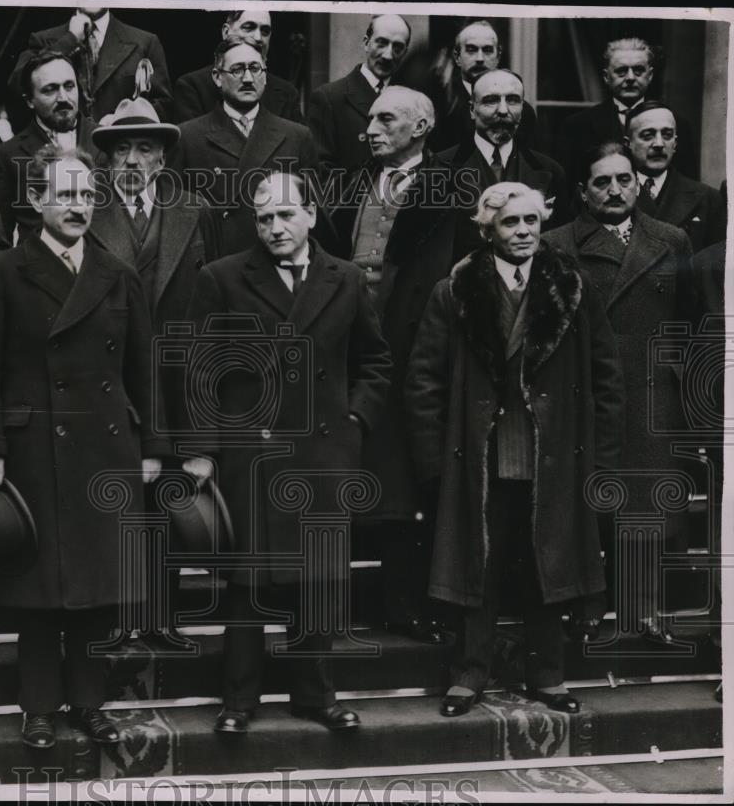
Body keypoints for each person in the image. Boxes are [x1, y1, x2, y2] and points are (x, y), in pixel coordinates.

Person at [0, 146, 170, 749]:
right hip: (32, 450)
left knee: (95, 591)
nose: (78, 207)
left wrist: (151, 446)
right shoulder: (0, 272)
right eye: (65, 196)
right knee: (39, 590)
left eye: (86, 196)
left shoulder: (116, 273)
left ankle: (89, 702)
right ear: (36, 202)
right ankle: (38, 708)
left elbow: (143, 368)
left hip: (104, 449)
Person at [183, 170, 392, 734]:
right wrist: (202, 450)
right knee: (250, 582)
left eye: (284, 215)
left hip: (325, 453)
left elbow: (375, 360)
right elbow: (200, 372)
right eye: (263, 217)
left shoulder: (346, 278)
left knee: (319, 578)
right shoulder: (222, 277)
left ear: (311, 216)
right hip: (252, 452)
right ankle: (238, 701)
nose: (274, 227)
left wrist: (355, 419)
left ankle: (315, 696)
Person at [405, 182, 624, 718]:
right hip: (478, 456)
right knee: (480, 562)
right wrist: (434, 462)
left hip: (554, 456)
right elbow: (424, 381)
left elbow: (607, 376)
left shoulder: (572, 287)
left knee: (546, 565)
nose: (524, 231)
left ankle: (547, 675)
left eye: (532, 221)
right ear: (487, 230)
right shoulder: (453, 290)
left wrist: (602, 459)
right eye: (510, 223)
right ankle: (470, 674)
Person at [544, 143, 701, 643]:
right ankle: (584, 611)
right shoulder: (557, 243)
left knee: (646, 507)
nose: (615, 190)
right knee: (586, 505)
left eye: (624, 180)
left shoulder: (671, 240)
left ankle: (644, 612)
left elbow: (689, 321)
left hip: (651, 393)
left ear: (638, 183)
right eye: (602, 182)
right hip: (584, 394)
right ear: (582, 192)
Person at [328, 86, 458, 644]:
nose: (371, 129)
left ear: (422, 126)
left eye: (386, 119)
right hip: (346, 346)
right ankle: (325, 605)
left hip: (414, 346)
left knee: (404, 481)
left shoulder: (448, 189)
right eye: (370, 118)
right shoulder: (350, 182)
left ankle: (403, 604)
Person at [88, 97, 219, 645]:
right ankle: (117, 617)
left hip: (175, 382)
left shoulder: (194, 211)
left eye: (145, 148)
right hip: (109, 378)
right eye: (122, 149)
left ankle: (161, 616)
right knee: (115, 500)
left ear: (163, 159)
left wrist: (204, 433)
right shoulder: (86, 212)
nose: (133, 160)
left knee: (168, 498)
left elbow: (213, 316)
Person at [168, 39, 319, 257]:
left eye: (255, 69)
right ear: (217, 78)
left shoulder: (297, 136)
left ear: (265, 75)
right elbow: (175, 218)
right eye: (237, 70)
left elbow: (313, 216)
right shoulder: (187, 137)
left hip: (277, 263)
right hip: (215, 265)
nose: (248, 78)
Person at [436, 68, 569, 258]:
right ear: (472, 109)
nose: (503, 111)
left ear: (522, 109)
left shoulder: (550, 171)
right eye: (491, 101)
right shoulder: (440, 167)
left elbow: (559, 244)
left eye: (513, 100)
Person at [0, 50, 97, 242]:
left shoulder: (104, 141)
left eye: (69, 86)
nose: (63, 98)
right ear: (30, 100)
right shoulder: (6, 156)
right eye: (50, 89)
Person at [558, 38, 698, 183]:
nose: (630, 78)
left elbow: (689, 190)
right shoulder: (577, 126)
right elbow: (569, 189)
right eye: (621, 71)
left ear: (650, 75)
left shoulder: (678, 125)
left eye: (638, 70)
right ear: (606, 76)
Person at [9, 7, 172, 123]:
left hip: (119, 152)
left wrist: (121, 119)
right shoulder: (44, 40)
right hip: (63, 154)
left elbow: (164, 106)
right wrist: (70, 40)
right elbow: (18, 86)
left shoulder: (145, 42)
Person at [307, 15, 412, 178]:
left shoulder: (413, 99)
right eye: (382, 43)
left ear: (405, 52)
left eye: (397, 47)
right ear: (366, 43)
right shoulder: (329, 98)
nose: (388, 55)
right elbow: (321, 171)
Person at [626, 102, 726, 253]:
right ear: (628, 144)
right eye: (648, 135)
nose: (659, 144)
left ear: (675, 144)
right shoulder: (610, 195)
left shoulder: (709, 199)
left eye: (667, 135)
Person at [172, 11, 304, 124]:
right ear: (226, 32)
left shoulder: (287, 94)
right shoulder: (193, 88)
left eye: (265, 31)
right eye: (248, 27)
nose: (258, 38)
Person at [429, 20, 538, 152]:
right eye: (471, 50)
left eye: (487, 50)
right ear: (457, 57)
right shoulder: (438, 105)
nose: (480, 58)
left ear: (498, 56)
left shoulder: (523, 111)